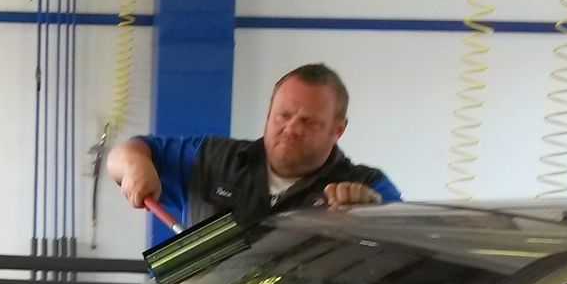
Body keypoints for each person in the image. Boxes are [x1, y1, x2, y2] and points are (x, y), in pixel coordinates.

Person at [106, 63, 401, 228]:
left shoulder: (367, 187)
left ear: (338, 129)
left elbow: (404, 255)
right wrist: (135, 167)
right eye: (283, 115)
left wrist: (370, 216)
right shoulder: (212, 159)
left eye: (309, 121)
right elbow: (125, 154)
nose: (291, 128)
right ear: (269, 113)